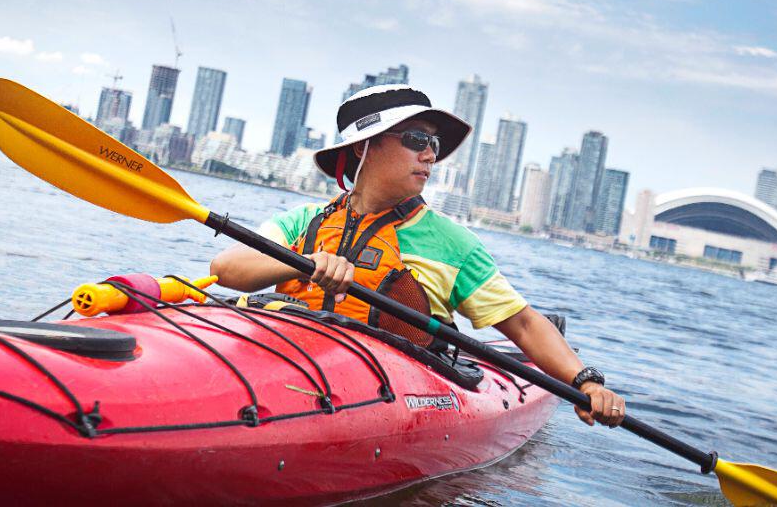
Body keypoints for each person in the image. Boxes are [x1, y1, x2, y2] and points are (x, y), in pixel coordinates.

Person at [209, 84, 627, 427]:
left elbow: (521, 322)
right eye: (416, 141)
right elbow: (225, 270)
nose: (431, 155)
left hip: (384, 391)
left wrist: (586, 382)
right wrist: (307, 259)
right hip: (282, 359)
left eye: (434, 144)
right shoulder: (302, 221)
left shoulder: (452, 244)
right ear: (364, 146)